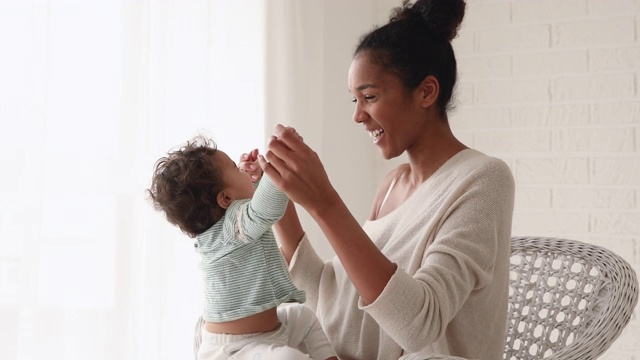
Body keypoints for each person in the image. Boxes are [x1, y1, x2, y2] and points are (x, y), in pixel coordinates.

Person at [257, 0, 515, 359]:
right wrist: (280, 201)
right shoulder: (392, 185)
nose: (358, 115)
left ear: (426, 92)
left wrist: (325, 203)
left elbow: (418, 325)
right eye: (354, 100)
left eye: (370, 96)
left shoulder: (483, 179)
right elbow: (331, 303)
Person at [147, 136, 337, 360]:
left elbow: (256, 207)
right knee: (287, 357)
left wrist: (258, 180)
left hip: (260, 335)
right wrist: (275, 167)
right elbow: (264, 209)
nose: (242, 169)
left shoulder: (225, 227)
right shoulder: (233, 224)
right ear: (226, 198)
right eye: (237, 169)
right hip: (237, 350)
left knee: (303, 317)